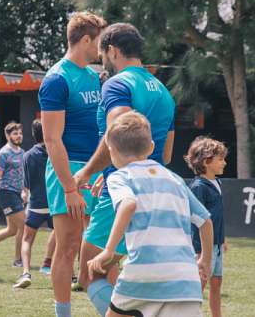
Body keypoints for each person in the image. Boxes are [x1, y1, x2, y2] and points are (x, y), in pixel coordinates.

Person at [74, 23, 176, 316]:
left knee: (90, 275)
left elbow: (118, 136)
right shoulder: (164, 92)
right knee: (120, 275)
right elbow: (166, 154)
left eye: (102, 53)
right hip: (153, 188)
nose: (101, 60)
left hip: (120, 192)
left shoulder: (117, 84)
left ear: (113, 50)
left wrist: (87, 172)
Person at [87, 111, 213, 317]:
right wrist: (205, 261)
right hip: (185, 279)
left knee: (96, 287)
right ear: (152, 147)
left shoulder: (120, 177)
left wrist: (109, 250)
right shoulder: (175, 179)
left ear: (111, 151)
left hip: (144, 272)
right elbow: (205, 220)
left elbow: (128, 204)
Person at [37, 11, 107, 317]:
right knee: (67, 247)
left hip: (97, 171)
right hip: (68, 173)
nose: (103, 50)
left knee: (105, 249)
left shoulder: (95, 76)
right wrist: (69, 187)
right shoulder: (56, 79)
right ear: (86, 40)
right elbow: (52, 140)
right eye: (100, 42)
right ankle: (62, 313)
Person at [185, 137, 228, 317]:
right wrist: (201, 252)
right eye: (220, 159)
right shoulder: (197, 187)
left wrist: (222, 239)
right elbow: (196, 222)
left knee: (216, 283)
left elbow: (218, 218)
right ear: (206, 161)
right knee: (199, 285)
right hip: (202, 249)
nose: (224, 163)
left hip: (216, 246)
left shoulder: (217, 183)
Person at [13, 119, 57, 289]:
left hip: (36, 204)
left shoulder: (28, 155)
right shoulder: (57, 150)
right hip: (55, 204)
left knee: (27, 239)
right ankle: (70, 274)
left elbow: (28, 185)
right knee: (62, 238)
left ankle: (25, 272)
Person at [0, 122, 26, 266]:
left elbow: (22, 175)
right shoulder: (3, 153)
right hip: (6, 193)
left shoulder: (22, 152)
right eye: (15, 133)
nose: (18, 136)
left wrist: (25, 191)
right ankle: (18, 260)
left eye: (20, 133)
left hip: (17, 193)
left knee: (12, 230)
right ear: (7, 135)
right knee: (24, 225)